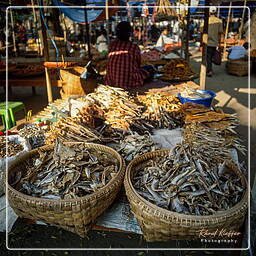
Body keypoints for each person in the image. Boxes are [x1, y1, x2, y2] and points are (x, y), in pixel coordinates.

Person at [104, 21, 150, 90]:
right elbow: (137, 65)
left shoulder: (112, 45)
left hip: (111, 82)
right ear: (129, 34)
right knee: (149, 69)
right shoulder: (134, 47)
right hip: (129, 83)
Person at [200, 6, 223, 77]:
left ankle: (209, 71)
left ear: (209, 12)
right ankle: (210, 69)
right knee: (211, 56)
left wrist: (201, 43)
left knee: (208, 57)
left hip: (206, 42)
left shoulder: (205, 21)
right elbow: (220, 33)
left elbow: (201, 32)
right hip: (215, 42)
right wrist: (219, 43)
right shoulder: (219, 21)